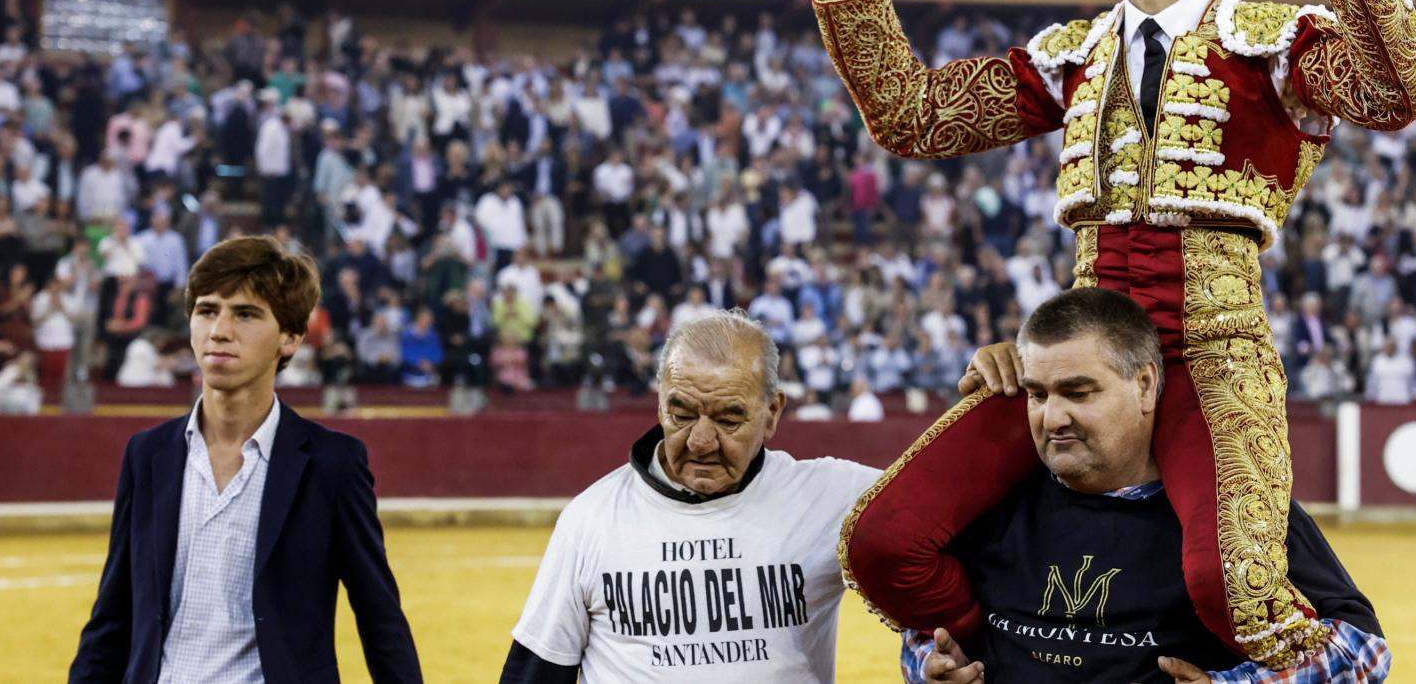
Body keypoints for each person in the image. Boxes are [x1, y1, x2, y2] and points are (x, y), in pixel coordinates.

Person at [816, 0, 1416, 668]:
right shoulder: (1070, 57)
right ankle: (1002, 656)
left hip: (1210, 355)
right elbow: (913, 117)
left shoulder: (1272, 45)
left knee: (1235, 584)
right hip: (1083, 352)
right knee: (882, 540)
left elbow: (1400, 90)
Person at [879, 289, 1389, 683]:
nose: (1053, 417)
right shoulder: (995, 504)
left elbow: (1364, 650)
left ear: (1145, 385)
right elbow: (927, 633)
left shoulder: (1224, 505)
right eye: (1037, 394)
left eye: (1079, 392)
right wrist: (929, 665)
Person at [69, 236, 422, 682]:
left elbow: (380, 619)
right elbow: (112, 617)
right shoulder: (148, 454)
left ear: (291, 338)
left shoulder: (333, 464)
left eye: (246, 314)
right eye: (207, 310)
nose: (219, 330)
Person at [500, 310, 882, 682]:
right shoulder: (590, 519)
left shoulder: (834, 498)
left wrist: (926, 657)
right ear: (661, 403)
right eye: (681, 414)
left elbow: (938, 521)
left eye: (728, 419)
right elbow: (537, 671)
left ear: (772, 412)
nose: (700, 441)